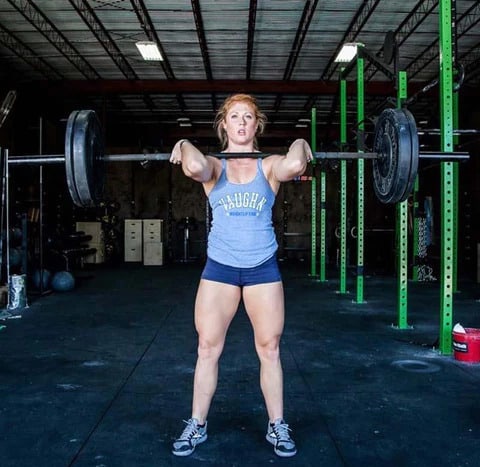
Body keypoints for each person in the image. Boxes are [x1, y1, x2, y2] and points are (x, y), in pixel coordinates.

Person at [169, 93, 313, 458]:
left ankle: (277, 426)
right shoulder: (215, 167)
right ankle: (197, 424)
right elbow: (194, 168)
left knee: (270, 348)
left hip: (262, 269)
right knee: (207, 348)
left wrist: (301, 142)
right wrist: (183, 143)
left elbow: (295, 164)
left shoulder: (269, 167)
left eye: (248, 116)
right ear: (224, 125)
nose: (242, 122)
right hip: (219, 270)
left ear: (256, 124)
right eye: (235, 116)